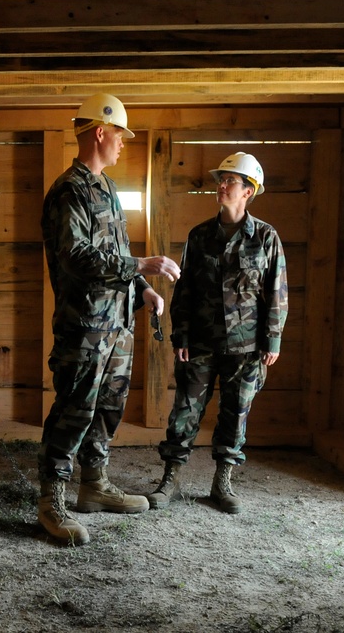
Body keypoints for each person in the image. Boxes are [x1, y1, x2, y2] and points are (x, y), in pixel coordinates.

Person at [38, 93, 181, 545]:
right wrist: (142, 266)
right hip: (84, 328)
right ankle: (51, 501)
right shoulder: (68, 191)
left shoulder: (105, 188)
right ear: (100, 133)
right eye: (120, 135)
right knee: (74, 410)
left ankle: (94, 486)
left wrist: (142, 291)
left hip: (117, 326)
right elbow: (77, 256)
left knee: (108, 407)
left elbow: (113, 254)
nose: (123, 144)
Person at [147, 152, 288, 514]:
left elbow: (276, 292)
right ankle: (170, 480)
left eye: (230, 181)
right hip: (201, 344)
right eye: (220, 180)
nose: (221, 186)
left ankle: (222, 482)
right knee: (184, 412)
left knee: (235, 413)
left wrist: (272, 340)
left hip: (247, 347)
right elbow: (185, 291)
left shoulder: (266, 238)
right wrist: (181, 335)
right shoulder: (200, 236)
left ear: (248, 192)